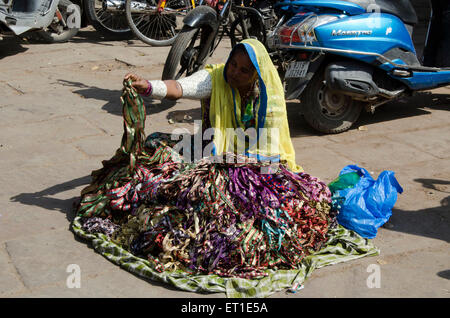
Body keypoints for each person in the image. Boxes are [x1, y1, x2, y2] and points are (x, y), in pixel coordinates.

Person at [124, 38, 302, 172]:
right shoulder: (216, 78)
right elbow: (179, 87)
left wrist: (236, 160)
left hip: (255, 159)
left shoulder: (268, 97)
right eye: (233, 64)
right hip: (212, 149)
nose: (234, 72)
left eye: (244, 70)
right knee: (154, 142)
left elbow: (269, 147)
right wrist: (148, 86)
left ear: (255, 74)